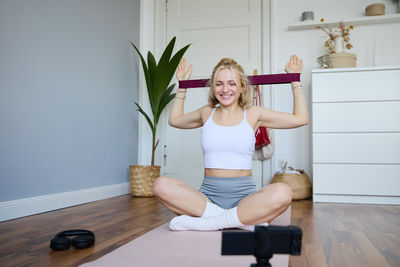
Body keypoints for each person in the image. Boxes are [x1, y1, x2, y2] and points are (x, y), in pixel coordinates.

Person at [152, 55, 308, 231]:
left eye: (232, 83)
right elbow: (175, 120)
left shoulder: (254, 113)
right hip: (207, 198)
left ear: (242, 87)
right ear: (213, 88)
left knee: (283, 192)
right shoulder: (206, 113)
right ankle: (240, 221)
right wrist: (182, 87)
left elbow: (300, 119)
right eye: (219, 84)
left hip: (245, 199)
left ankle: (211, 223)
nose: (225, 89)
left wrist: (295, 81)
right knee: (160, 185)